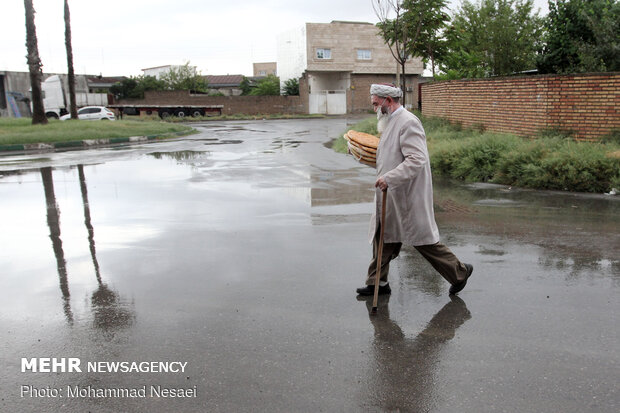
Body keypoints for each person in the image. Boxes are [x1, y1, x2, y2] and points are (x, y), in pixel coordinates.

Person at [356, 83, 473, 297]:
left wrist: (389, 178)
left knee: (422, 240)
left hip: (405, 193)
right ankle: (377, 283)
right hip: (390, 192)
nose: (374, 109)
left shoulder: (408, 122)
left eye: (375, 104)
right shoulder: (390, 122)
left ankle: (459, 272)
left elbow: (417, 159)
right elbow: (391, 156)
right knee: (383, 236)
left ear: (387, 101)